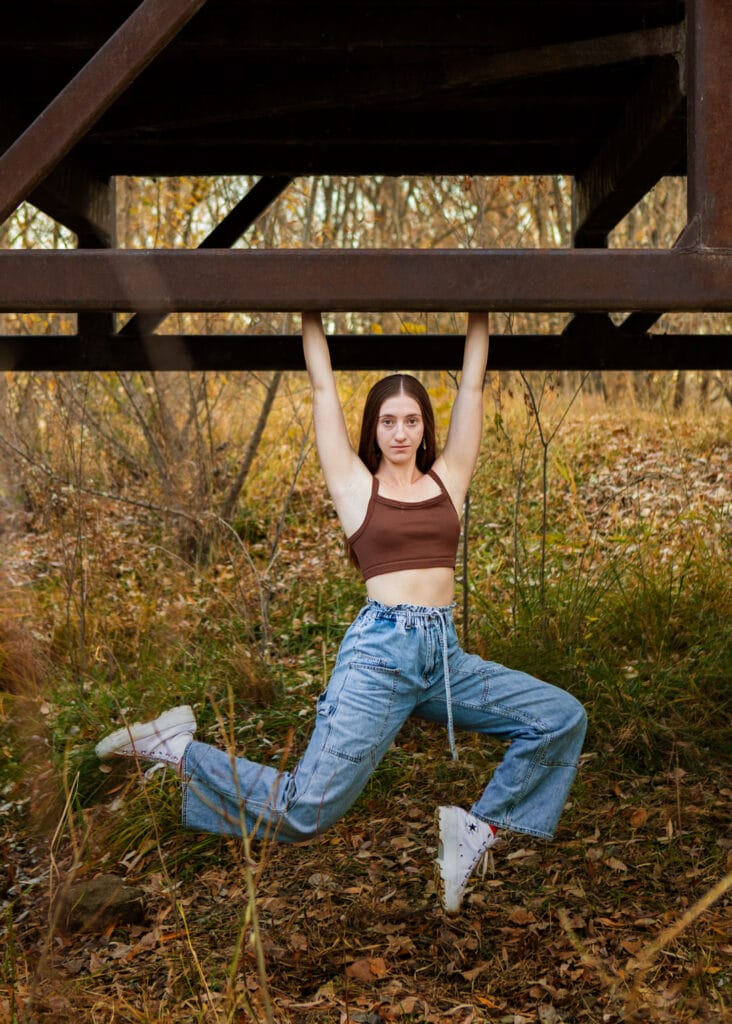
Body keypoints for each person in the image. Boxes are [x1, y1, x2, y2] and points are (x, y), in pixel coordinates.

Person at [96, 312, 587, 913]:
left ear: (425, 427)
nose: (401, 432)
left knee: (559, 717)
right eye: (388, 421)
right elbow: (323, 387)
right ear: (374, 429)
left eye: (411, 421)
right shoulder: (356, 488)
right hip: (380, 658)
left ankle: (477, 829)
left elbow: (473, 387)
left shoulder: (449, 480)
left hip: (444, 660)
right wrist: (309, 310)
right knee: (306, 810)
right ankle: (178, 749)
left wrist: (480, 309)